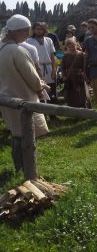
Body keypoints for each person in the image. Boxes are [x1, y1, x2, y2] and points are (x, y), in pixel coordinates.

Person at [0, 14, 49, 180]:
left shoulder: (1, 49)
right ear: (18, 31)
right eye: (26, 31)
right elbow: (32, 77)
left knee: (16, 133)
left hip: (7, 100)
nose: (28, 35)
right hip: (23, 99)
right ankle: (28, 172)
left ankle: (19, 170)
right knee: (27, 135)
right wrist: (41, 86)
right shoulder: (17, 51)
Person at [27, 22, 57, 105]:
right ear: (33, 30)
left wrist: (54, 69)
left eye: (42, 29)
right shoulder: (29, 41)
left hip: (49, 67)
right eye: (38, 29)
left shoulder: (49, 40)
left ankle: (53, 113)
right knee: (39, 89)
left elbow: (52, 56)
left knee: (51, 90)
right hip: (36, 67)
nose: (40, 31)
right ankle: (42, 112)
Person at [61, 38, 90, 108]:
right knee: (71, 95)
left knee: (81, 94)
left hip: (79, 77)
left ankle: (84, 109)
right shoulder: (65, 56)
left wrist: (85, 75)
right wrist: (64, 76)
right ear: (66, 47)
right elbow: (63, 68)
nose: (71, 48)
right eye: (69, 47)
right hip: (70, 78)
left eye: (73, 46)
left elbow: (85, 66)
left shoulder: (82, 55)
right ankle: (73, 111)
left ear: (76, 45)